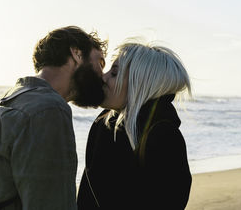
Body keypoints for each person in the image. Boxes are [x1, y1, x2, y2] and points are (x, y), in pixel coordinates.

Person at [0, 26, 107, 210]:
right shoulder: (49, 110)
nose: (103, 76)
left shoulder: (10, 99)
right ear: (76, 53)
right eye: (100, 62)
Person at [77, 41, 192, 210]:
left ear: (139, 84)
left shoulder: (163, 136)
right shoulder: (104, 123)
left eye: (114, 73)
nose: (104, 77)